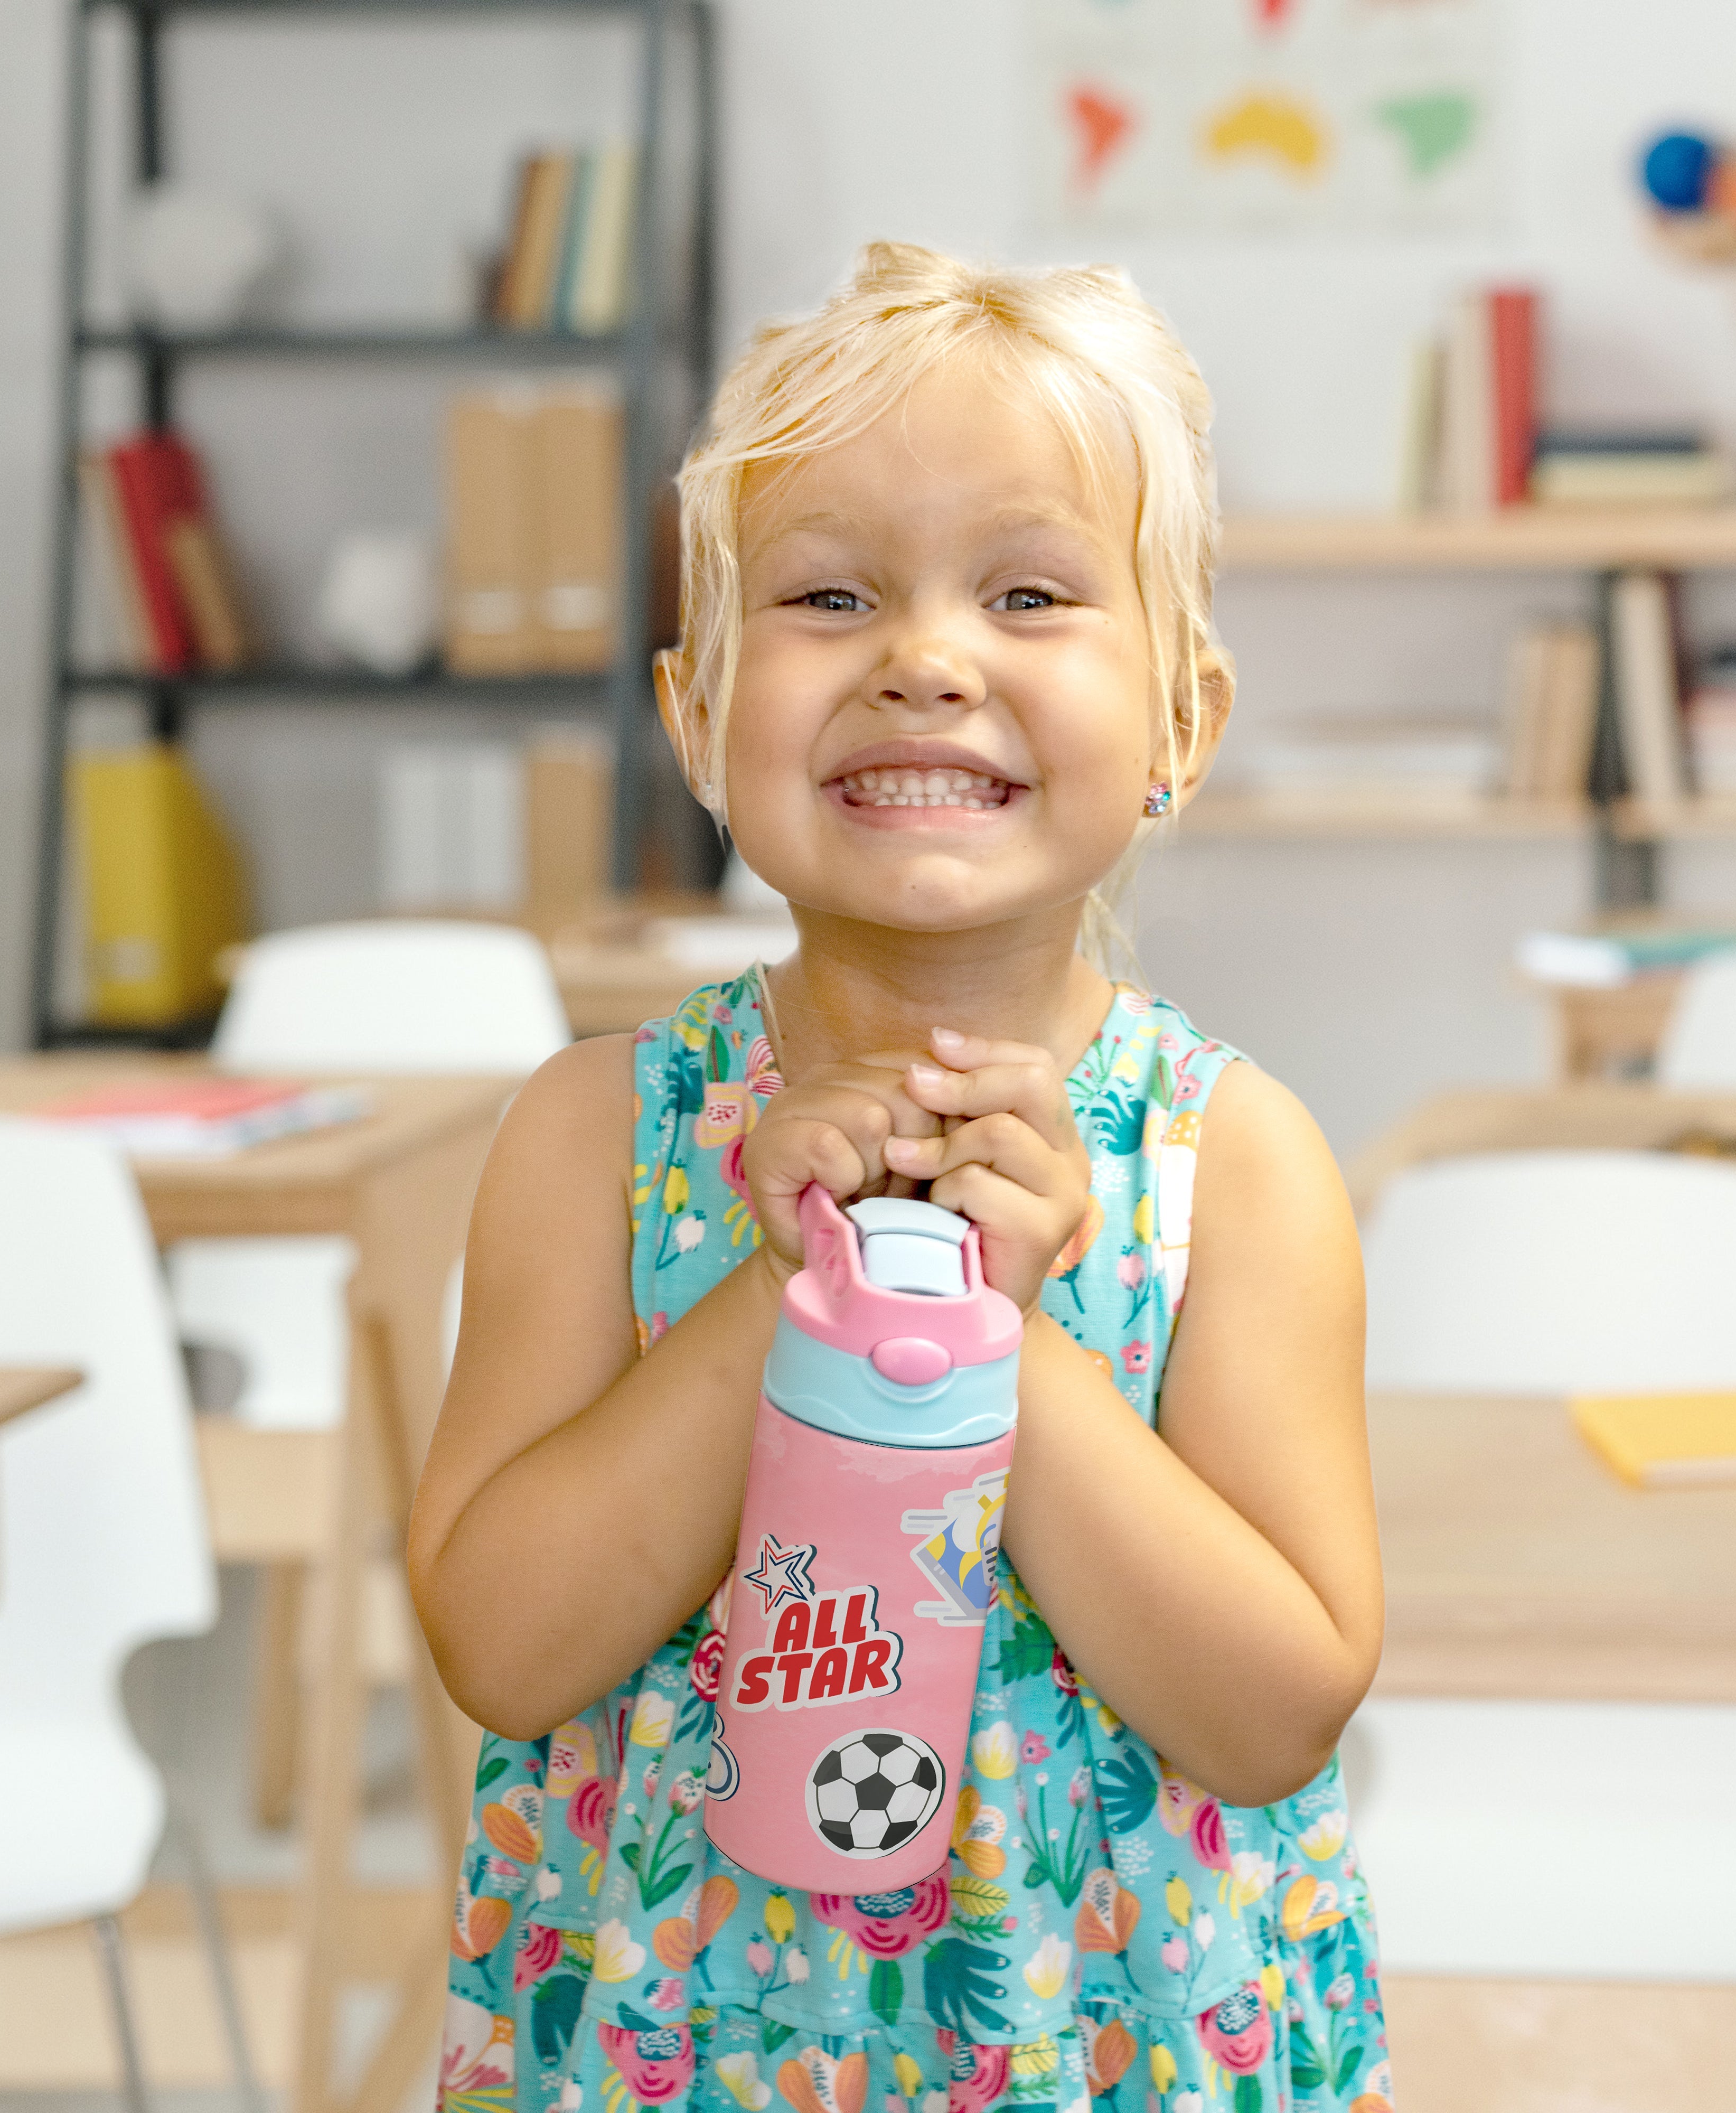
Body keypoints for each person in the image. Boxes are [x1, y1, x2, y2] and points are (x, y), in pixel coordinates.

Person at [409, 244, 1389, 2113]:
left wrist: (1005, 1341)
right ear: (698, 718)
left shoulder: (1231, 1164)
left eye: (1028, 593)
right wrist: (788, 1301)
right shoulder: (593, 1135)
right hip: (672, 2056)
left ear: (1183, 717)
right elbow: (504, 1650)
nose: (926, 658)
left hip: (1116, 2056)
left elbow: (1272, 1713)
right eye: (830, 594)